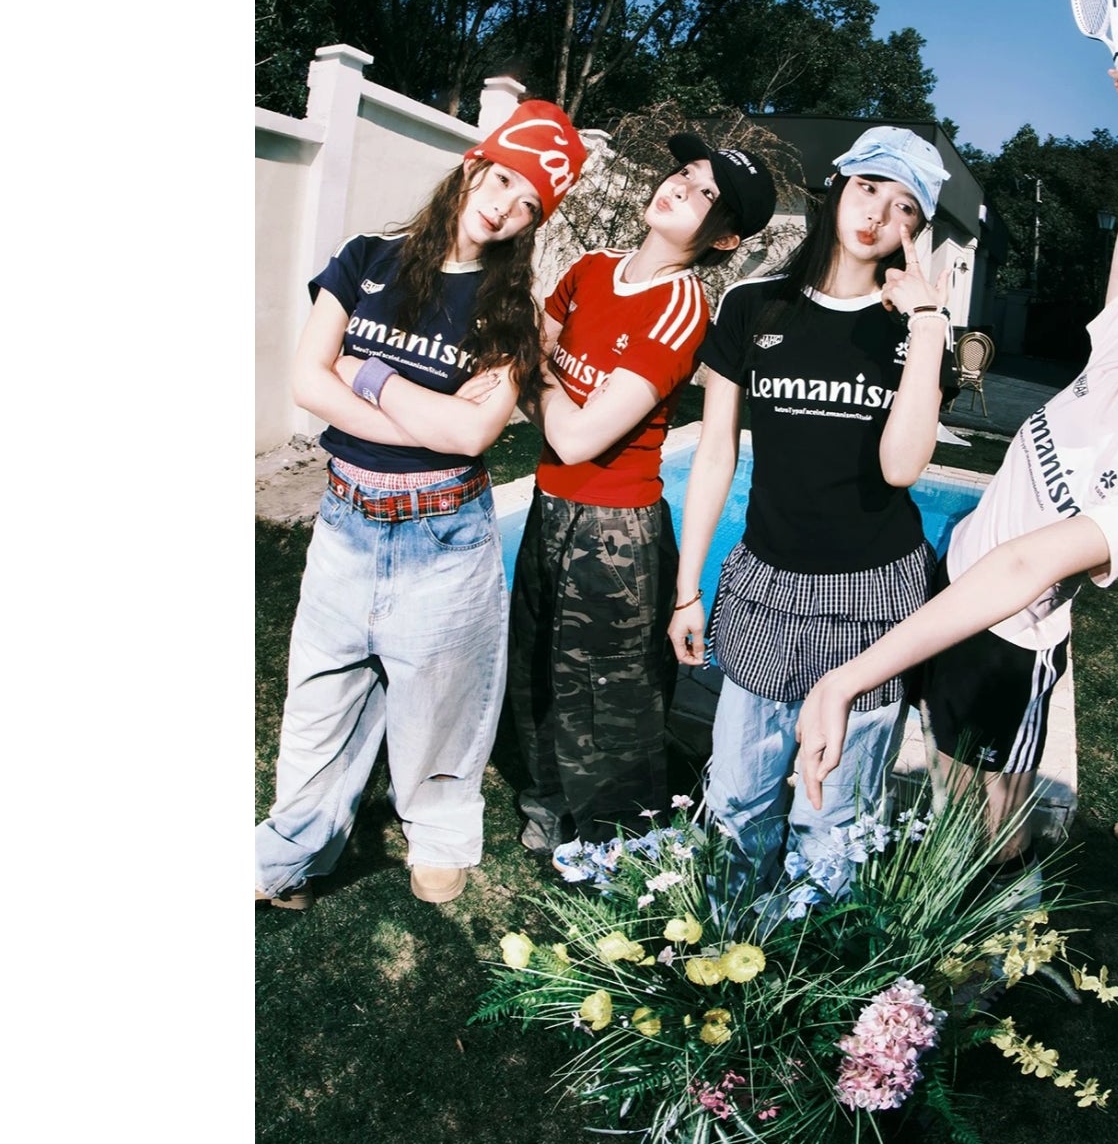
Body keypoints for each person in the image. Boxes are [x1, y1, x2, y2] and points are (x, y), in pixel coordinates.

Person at [793, 62, 1118, 872]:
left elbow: (1022, 568)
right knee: (944, 780)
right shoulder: (1117, 352)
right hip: (950, 584)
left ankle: (997, 915)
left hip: (1008, 640)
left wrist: (844, 679)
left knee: (989, 819)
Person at [254, 101, 588, 910]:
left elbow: (470, 433)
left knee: (438, 698)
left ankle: (437, 834)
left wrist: (367, 375)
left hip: (442, 532)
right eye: (502, 181)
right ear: (474, 166)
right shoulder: (366, 258)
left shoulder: (509, 310)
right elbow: (306, 382)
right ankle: (296, 844)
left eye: (528, 204)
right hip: (345, 519)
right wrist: (418, 414)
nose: (505, 206)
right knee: (320, 694)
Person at [668, 126, 955, 901]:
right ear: (836, 186)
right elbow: (716, 453)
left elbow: (901, 466)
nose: (877, 215)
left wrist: (928, 324)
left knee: (833, 820)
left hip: (872, 597)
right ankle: (725, 950)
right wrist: (688, 588)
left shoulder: (917, 330)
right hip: (763, 585)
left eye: (904, 208)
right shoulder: (753, 304)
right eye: (868, 188)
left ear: (916, 230)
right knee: (736, 797)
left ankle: (808, 964)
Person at [502, 134, 777, 853]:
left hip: (614, 531)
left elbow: (577, 435)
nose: (681, 185)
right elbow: (525, 359)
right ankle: (547, 804)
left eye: (707, 193)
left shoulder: (680, 307)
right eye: (684, 172)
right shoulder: (590, 267)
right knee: (535, 664)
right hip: (549, 506)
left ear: (725, 240)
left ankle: (616, 841)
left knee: (611, 696)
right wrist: (544, 382)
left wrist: (537, 378)